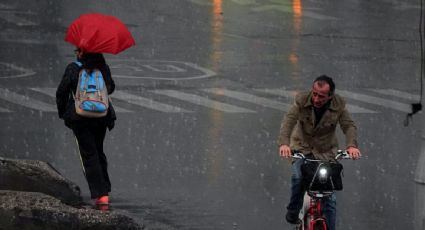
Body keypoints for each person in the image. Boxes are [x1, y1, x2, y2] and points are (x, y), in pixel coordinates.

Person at [278, 75, 361, 230]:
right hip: (302, 149)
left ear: (330, 96)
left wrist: (351, 146)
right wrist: (284, 144)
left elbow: (348, 126)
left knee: (329, 196)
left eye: (321, 96)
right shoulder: (302, 101)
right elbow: (288, 122)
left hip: (326, 152)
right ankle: (293, 210)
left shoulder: (338, 105)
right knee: (298, 177)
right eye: (314, 93)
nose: (316, 98)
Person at [56, 48, 116, 208]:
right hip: (101, 117)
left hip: (80, 118)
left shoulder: (73, 68)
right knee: (98, 150)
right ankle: (105, 189)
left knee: (88, 156)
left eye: (78, 50)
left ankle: (100, 195)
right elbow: (110, 88)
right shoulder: (103, 67)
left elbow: (61, 92)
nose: (76, 52)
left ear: (82, 53)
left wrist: (63, 112)